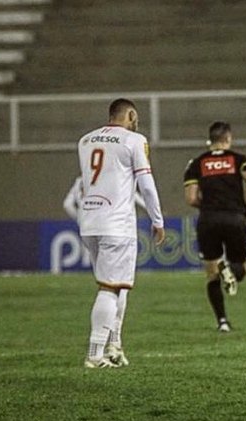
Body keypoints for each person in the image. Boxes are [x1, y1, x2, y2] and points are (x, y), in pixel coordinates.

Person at [77, 98, 165, 369]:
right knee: (110, 287)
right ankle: (95, 355)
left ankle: (114, 345)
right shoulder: (134, 140)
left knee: (116, 284)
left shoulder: (85, 140)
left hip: (89, 220)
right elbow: (146, 185)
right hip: (117, 223)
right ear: (130, 115)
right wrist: (157, 219)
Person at [183, 121, 246, 332]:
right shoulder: (239, 160)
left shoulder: (196, 163)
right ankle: (230, 271)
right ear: (227, 139)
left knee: (211, 274)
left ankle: (222, 322)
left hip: (208, 220)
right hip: (234, 218)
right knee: (242, 269)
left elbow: (191, 198)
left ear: (211, 139)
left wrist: (207, 206)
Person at [64, 175, 146, 221]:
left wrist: (80, 219)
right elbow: (130, 193)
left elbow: (67, 205)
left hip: (87, 225)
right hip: (107, 224)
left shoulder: (79, 181)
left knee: (90, 250)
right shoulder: (108, 179)